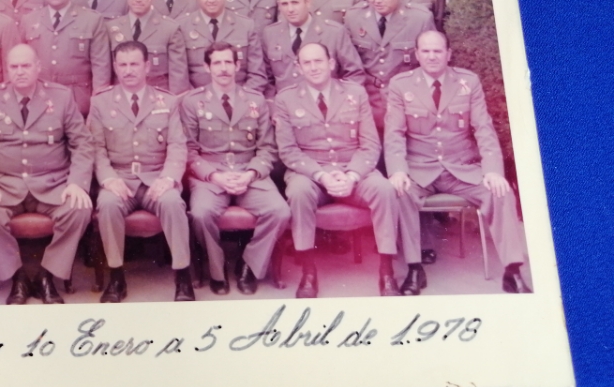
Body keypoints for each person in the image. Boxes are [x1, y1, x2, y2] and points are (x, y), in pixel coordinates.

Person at [385, 30, 531, 293]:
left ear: (448, 54)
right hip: (419, 170)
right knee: (398, 192)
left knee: (500, 192)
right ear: (417, 54)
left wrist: (493, 171)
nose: (431, 56)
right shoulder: (400, 85)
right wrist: (398, 170)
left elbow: (483, 128)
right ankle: (414, 268)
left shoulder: (468, 82)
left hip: (461, 169)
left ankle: (513, 271)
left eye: (437, 51)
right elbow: (394, 133)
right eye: (426, 51)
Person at [273, 42, 420, 298]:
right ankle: (308, 273)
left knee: (385, 190)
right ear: (298, 68)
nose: (313, 67)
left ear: (331, 63)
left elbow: (370, 145)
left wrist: (352, 175)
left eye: (318, 61)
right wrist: (321, 175)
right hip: (311, 175)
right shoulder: (285, 99)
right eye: (306, 63)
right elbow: (288, 151)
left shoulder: (355, 93)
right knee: (297, 192)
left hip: (354, 170)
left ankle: (386, 273)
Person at [0, 44, 94, 304]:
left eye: (26, 66)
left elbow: (82, 143)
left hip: (51, 184)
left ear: (38, 67)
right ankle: (18, 277)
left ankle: (48, 274)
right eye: (14, 66)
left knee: (79, 209)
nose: (20, 72)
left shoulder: (61, 97)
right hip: (5, 186)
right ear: (7, 69)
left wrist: (77, 183)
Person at [180, 43, 291, 294]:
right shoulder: (193, 102)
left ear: (237, 65)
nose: (223, 69)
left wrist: (250, 174)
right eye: (217, 63)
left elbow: (267, 148)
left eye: (228, 62)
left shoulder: (255, 100)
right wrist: (215, 176)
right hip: (211, 173)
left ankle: (249, 265)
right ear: (207, 68)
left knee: (280, 211)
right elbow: (188, 150)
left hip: (248, 170)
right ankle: (217, 272)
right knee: (200, 213)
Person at [90, 41, 191, 302]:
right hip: (119, 178)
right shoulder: (101, 102)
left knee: (172, 202)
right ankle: (116, 277)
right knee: (108, 205)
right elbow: (96, 149)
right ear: (115, 67)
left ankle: (182, 276)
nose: (128, 70)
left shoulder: (167, 101)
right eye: (122, 65)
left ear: (147, 66)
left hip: (156, 176)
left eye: (134, 64)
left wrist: (168, 178)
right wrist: (109, 179)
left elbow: (178, 146)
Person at [344, 0, 435, 130]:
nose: (377, 0)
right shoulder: (354, 17)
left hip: (407, 100)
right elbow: (347, 63)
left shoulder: (420, 18)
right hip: (368, 101)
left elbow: (430, 65)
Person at [20, 0, 111, 116]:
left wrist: (98, 108)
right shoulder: (29, 20)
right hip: (38, 100)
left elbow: (101, 68)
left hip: (78, 101)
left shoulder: (91, 20)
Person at [262, 0, 365, 96]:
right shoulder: (270, 34)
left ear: (308, 2)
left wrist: (342, 101)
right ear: (279, 6)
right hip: (286, 107)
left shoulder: (334, 32)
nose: (290, 9)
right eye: (284, 4)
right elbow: (267, 78)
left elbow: (354, 73)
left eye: (295, 2)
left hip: (326, 105)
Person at [180, 0, 266, 92]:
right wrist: (195, 100)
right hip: (197, 101)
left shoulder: (246, 25)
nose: (211, 0)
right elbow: (180, 76)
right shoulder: (182, 26)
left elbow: (257, 75)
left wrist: (242, 98)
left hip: (240, 98)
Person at [106, 0, 188, 94]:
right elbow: (106, 70)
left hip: (157, 95)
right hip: (121, 96)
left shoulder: (170, 28)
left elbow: (178, 75)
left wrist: (174, 102)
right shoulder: (111, 28)